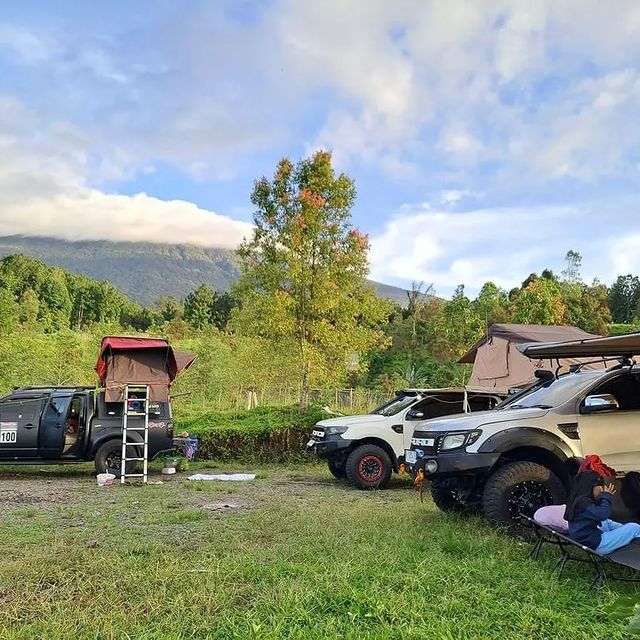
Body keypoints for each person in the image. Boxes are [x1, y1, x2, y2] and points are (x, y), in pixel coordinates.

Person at [564, 470, 640, 555]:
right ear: (592, 486)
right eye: (601, 486)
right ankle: (633, 534)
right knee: (634, 527)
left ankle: (629, 533)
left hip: (587, 541)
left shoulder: (577, 499)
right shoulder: (583, 503)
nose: (602, 490)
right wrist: (606, 496)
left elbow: (602, 517)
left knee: (608, 522)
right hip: (597, 545)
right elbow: (603, 514)